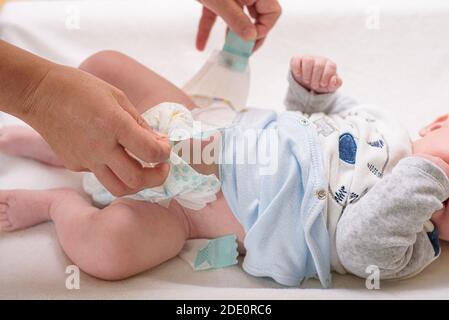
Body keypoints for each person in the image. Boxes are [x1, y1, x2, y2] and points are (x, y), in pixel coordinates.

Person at [1, 51, 448, 288]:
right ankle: (63, 143)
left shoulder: (413, 246)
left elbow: (358, 245)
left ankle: (58, 204)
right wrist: (311, 87)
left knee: (107, 252)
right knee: (105, 68)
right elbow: (313, 117)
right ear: (437, 124)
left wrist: (429, 170)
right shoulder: (385, 126)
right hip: (206, 130)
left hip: (187, 214)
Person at [0, 0, 281, 196]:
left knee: (112, 252)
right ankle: (65, 137)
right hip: (213, 122)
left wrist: (56, 207)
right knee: (105, 66)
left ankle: (56, 197)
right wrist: (39, 94)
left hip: (192, 205)